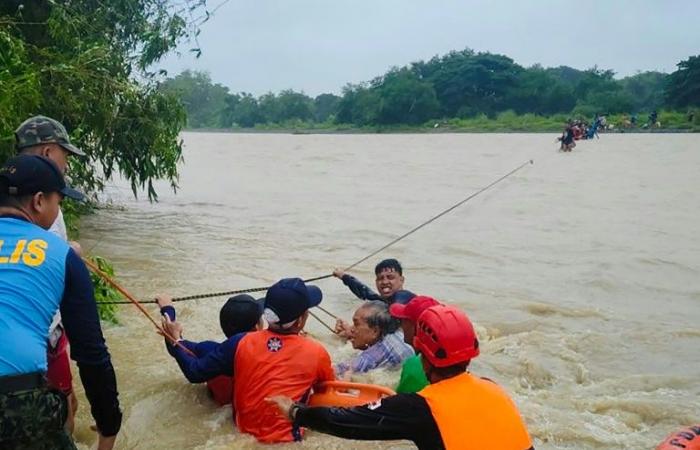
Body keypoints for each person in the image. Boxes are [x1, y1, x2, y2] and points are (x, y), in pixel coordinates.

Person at [267, 305, 534, 450]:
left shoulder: (419, 407)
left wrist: (294, 412)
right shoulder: (494, 389)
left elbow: (345, 422)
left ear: (423, 355)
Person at [0, 155, 121, 450]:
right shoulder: (62, 255)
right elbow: (91, 355)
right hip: (14, 400)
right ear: (39, 201)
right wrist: (108, 425)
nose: (59, 209)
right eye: (59, 201)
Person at [161, 277, 335, 443]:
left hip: (240, 434)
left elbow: (194, 371)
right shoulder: (317, 352)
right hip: (289, 442)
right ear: (301, 320)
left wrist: (175, 337)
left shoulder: (239, 342)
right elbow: (328, 393)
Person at [15, 115, 87, 432]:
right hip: (43, 333)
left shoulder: (15, 191)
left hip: (38, 331)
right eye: (65, 155)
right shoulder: (41, 199)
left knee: (67, 401)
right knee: (63, 408)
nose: (67, 164)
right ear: (47, 152)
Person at [157, 294, 264, 406]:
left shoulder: (209, 350)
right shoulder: (267, 351)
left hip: (217, 409)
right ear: (257, 327)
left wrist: (168, 310)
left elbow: (177, 345)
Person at [335, 301, 414, 378]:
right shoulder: (398, 334)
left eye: (356, 324)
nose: (352, 329)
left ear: (375, 331)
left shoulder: (375, 354)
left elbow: (338, 371)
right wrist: (348, 335)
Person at [389, 295, 441, 393]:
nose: (401, 325)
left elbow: (400, 403)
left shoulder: (416, 364)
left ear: (414, 327)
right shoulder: (450, 360)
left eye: (403, 320)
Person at [332, 258, 412, 304]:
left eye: (390, 277)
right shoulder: (384, 302)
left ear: (401, 280)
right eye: (380, 278)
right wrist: (343, 276)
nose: (384, 282)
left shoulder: (410, 302)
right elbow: (364, 292)